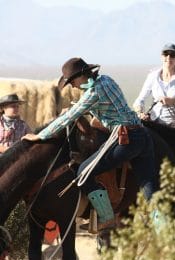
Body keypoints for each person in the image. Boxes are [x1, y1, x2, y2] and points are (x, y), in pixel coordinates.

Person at [22, 57, 157, 231]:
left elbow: (68, 118)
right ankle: (165, 232)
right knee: (150, 189)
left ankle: (107, 217)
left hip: (126, 138)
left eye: (72, 81)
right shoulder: (107, 79)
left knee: (83, 172)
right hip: (142, 135)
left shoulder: (93, 93)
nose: (72, 86)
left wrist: (40, 136)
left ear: (82, 76)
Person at [133, 43, 175, 126]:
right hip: (154, 119)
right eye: (166, 54)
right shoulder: (152, 76)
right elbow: (140, 100)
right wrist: (141, 113)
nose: (168, 57)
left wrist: (173, 101)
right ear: (161, 56)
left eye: (172, 55)